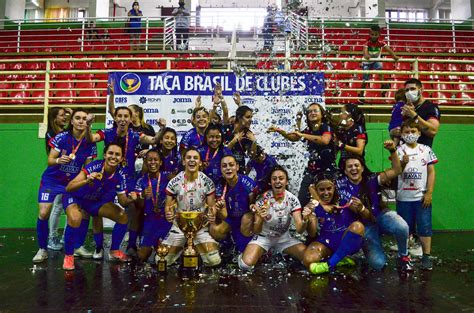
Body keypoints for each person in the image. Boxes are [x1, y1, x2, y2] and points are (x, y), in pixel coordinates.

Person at [86, 106, 161, 256]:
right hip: (107, 178)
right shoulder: (107, 132)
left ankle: (131, 245)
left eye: (126, 116)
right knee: (96, 211)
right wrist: (88, 125)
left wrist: (162, 129)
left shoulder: (135, 135)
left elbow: (153, 140)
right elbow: (91, 138)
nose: (122, 119)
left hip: (128, 178)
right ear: (114, 118)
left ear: (131, 119)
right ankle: (99, 247)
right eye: (119, 116)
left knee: (134, 207)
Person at [337, 140, 413, 272]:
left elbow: (397, 170)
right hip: (364, 226)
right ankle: (369, 249)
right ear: (344, 170)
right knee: (378, 264)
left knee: (402, 226)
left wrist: (393, 151)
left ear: (362, 167)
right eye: (349, 167)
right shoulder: (339, 185)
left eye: (356, 165)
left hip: (380, 216)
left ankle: (403, 256)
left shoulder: (372, 178)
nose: (353, 168)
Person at [33, 109, 97, 264]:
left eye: (84, 118)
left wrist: (86, 180)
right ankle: (42, 249)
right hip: (52, 180)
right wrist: (58, 160)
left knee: (78, 215)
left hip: (71, 183)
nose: (81, 121)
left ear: (87, 123)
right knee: (43, 212)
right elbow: (50, 160)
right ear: (72, 121)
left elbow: (87, 168)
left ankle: (75, 247)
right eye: (77, 118)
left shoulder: (90, 144)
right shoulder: (61, 137)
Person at [62, 143, 136, 270]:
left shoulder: (120, 175)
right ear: (105, 155)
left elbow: (123, 201)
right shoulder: (94, 166)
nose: (113, 157)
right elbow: (69, 187)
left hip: (93, 202)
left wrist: (130, 199)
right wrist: (86, 180)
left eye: (117, 154)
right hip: (76, 198)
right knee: (75, 218)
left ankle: (114, 251)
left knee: (123, 216)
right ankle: (69, 256)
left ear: (122, 158)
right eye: (110, 153)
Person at [238, 166, 308, 271]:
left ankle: (282, 252)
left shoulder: (293, 199)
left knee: (309, 259)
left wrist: (305, 219)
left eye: (281, 178)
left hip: (283, 238)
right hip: (264, 237)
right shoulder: (263, 199)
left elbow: (300, 229)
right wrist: (260, 218)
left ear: (286, 182)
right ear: (270, 182)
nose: (277, 181)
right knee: (246, 265)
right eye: (274, 179)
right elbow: (257, 230)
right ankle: (248, 255)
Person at [163, 149, 223, 267]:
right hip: (180, 226)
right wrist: (168, 214)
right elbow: (167, 207)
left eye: (195, 158)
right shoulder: (174, 182)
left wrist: (212, 214)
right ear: (184, 161)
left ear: (200, 162)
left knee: (214, 260)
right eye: (188, 157)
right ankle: (184, 248)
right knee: (163, 260)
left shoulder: (207, 182)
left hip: (200, 226)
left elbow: (211, 207)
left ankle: (195, 247)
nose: (192, 160)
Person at [268, 102, 336, 206]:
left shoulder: (326, 127)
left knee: (329, 202)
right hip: (312, 170)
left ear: (322, 114)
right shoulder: (308, 130)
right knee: (302, 201)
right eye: (309, 112)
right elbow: (294, 137)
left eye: (315, 111)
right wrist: (279, 130)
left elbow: (325, 140)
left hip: (328, 170)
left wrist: (302, 134)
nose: (312, 113)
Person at [303, 173, 369, 274]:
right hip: (327, 244)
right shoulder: (313, 205)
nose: (326, 193)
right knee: (308, 259)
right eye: (321, 190)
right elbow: (312, 233)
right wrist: (308, 217)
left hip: (347, 245)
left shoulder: (344, 200)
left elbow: (365, 216)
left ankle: (329, 264)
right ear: (316, 190)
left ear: (334, 188)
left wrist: (361, 208)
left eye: (329, 189)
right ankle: (338, 259)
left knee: (358, 226)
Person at [396, 120, 437, 270]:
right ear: (401, 134)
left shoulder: (426, 150)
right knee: (404, 229)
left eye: (413, 131)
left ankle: (426, 257)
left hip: (422, 198)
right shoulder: (398, 150)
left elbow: (431, 172)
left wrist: (429, 193)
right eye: (406, 132)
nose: (410, 134)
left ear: (419, 133)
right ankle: (404, 256)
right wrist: (402, 164)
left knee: (425, 227)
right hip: (403, 198)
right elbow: (395, 171)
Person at [211, 155, 257, 254]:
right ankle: (228, 244)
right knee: (215, 229)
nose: (228, 168)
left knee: (245, 220)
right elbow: (223, 214)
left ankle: (249, 243)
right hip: (231, 218)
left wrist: (252, 210)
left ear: (237, 167)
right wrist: (219, 210)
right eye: (224, 166)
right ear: (220, 169)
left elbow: (255, 204)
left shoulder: (247, 183)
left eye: (231, 165)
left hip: (246, 217)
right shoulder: (219, 185)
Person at [134, 149, 172, 262]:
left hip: (166, 221)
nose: (152, 162)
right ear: (145, 162)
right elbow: (139, 207)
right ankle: (153, 245)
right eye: (149, 160)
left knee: (164, 258)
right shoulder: (141, 181)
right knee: (142, 256)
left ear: (160, 162)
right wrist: (142, 196)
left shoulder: (169, 177)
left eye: (156, 160)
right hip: (150, 221)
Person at [45, 107, 71, 251]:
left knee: (69, 206)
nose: (65, 117)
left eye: (66, 115)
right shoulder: (51, 134)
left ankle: (66, 236)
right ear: (54, 118)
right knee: (58, 206)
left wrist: (71, 113)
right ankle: (52, 237)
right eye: (62, 115)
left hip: (69, 174)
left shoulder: (65, 132)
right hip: (57, 174)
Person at [360, 25, 399, 101]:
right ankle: (361, 94)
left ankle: (384, 85)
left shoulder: (381, 42)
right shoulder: (367, 43)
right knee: (365, 79)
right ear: (369, 34)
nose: (374, 36)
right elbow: (365, 52)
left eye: (376, 35)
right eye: (372, 34)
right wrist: (367, 55)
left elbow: (388, 49)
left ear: (379, 35)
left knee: (380, 70)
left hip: (375, 60)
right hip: (367, 62)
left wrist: (394, 56)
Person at [401, 78, 441, 147]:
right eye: (407, 90)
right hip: (404, 153)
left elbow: (433, 131)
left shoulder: (430, 107)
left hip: (422, 153)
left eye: (412, 89)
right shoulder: (405, 108)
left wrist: (414, 116)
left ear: (421, 90)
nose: (409, 92)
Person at [223, 105, 256, 172]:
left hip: (239, 170)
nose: (250, 120)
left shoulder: (248, 134)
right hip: (225, 169)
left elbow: (252, 156)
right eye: (247, 117)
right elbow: (222, 152)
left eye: (251, 117)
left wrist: (254, 142)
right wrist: (234, 141)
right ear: (239, 117)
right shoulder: (228, 129)